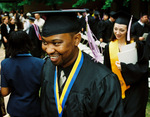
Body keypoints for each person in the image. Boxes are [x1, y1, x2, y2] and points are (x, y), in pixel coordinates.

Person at [33, 9, 124, 117]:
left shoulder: (103, 79)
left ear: (76, 39)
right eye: (44, 42)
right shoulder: (48, 66)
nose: (48, 50)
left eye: (56, 43)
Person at [104, 11, 149, 117]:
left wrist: (125, 68)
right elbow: (106, 69)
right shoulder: (109, 46)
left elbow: (144, 67)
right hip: (116, 89)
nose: (117, 32)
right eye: (115, 29)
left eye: (122, 30)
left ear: (128, 30)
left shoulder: (137, 45)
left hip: (134, 90)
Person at [0, 31, 45, 117]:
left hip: (15, 108)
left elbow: (4, 92)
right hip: (35, 108)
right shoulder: (40, 63)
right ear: (28, 43)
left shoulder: (5, 64)